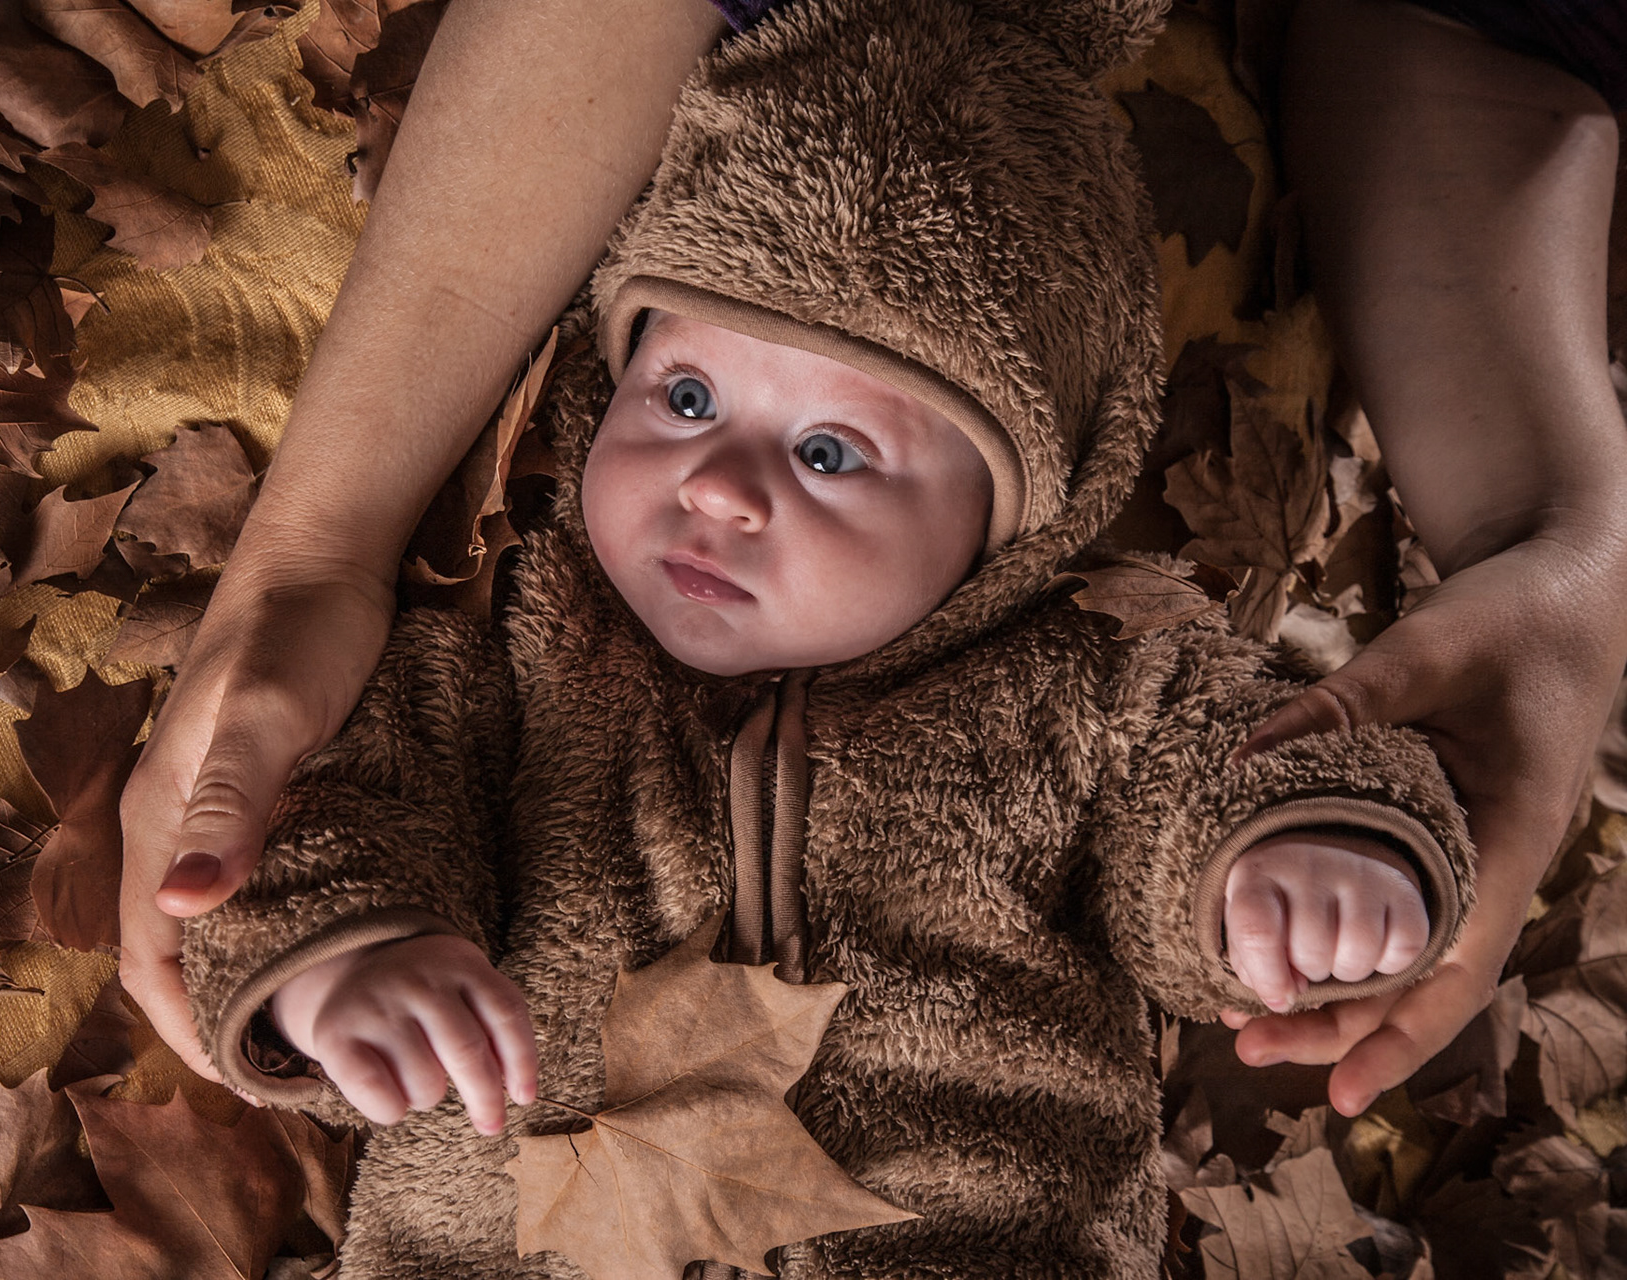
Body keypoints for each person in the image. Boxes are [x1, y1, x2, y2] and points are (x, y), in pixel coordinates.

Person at [120, 0, 1627, 1122]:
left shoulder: (1086, 679)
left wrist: (1306, 867)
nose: (716, 486)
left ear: (1010, 527)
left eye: (832, 455)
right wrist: (347, 960)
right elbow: (334, 806)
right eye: (686, 398)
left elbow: (1216, 792)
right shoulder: (515, 633)